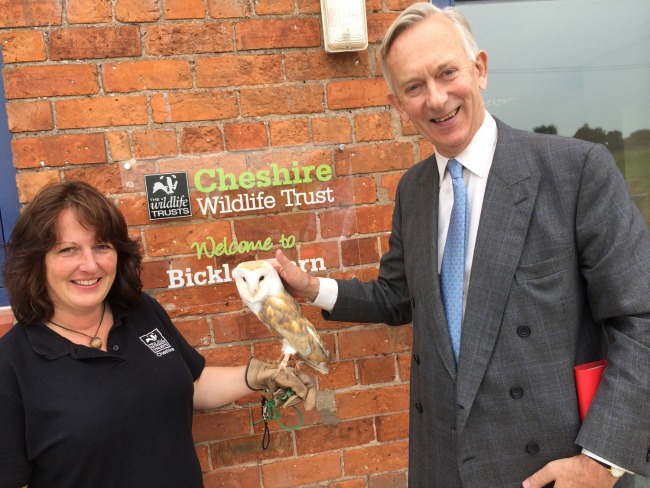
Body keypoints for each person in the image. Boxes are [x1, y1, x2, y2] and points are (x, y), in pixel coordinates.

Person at [272, 3, 650, 487]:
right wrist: (311, 287)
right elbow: (398, 296)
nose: (435, 98)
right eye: (413, 87)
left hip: (551, 471)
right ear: (397, 104)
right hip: (442, 465)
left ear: (480, 69)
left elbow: (638, 319)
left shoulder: (575, 172)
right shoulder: (414, 190)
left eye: (447, 73)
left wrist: (603, 460)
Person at [0, 181, 317, 488]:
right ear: (36, 262)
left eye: (101, 246)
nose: (89, 264)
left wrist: (256, 376)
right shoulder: (12, 366)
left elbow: (190, 383)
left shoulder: (140, 312)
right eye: (68, 250)